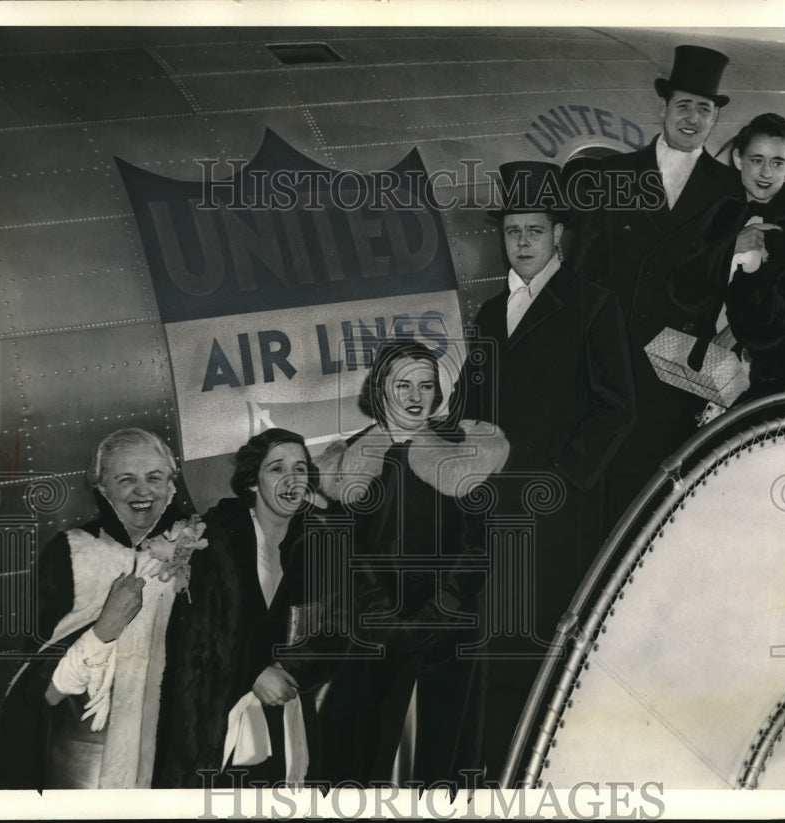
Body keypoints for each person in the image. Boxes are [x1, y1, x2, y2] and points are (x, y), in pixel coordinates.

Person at [449, 160, 635, 779]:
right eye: (512, 231)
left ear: (560, 234)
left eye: (534, 230)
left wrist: (559, 478)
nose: (522, 241)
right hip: (491, 517)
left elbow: (616, 408)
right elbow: (469, 407)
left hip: (557, 522)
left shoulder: (592, 306)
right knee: (493, 655)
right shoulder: (488, 314)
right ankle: (494, 781)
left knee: (543, 658)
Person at [315, 340, 510, 785]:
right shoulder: (355, 461)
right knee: (361, 759)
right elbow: (348, 549)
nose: (416, 395)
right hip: (374, 630)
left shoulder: (463, 454)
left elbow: (479, 549)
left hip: (447, 633)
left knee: (435, 761)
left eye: (426, 384)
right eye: (403, 384)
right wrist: (377, 609)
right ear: (381, 388)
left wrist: (434, 616)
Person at [565, 44, 743, 531]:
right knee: (603, 489)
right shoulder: (614, 174)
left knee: (663, 494)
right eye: (683, 105)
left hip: (675, 360)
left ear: (714, 120)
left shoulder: (728, 188)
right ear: (662, 108)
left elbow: (719, 284)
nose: (692, 117)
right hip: (612, 357)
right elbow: (583, 272)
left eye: (704, 109)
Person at [0, 428, 204, 789]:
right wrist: (103, 630)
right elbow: (41, 690)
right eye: (126, 479)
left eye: (154, 477)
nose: (143, 491)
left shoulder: (199, 552)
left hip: (175, 758)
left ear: (171, 485)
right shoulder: (71, 552)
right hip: (84, 757)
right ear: (103, 487)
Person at [152, 428, 335, 787]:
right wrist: (253, 673)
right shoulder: (217, 538)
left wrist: (290, 670)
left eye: (300, 469)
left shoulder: (321, 541)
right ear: (253, 482)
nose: (291, 479)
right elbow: (194, 637)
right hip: (217, 717)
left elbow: (338, 627)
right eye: (277, 469)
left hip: (288, 704)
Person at [669, 112, 785, 408]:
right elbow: (682, 283)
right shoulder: (718, 211)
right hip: (698, 360)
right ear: (738, 159)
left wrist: (738, 332)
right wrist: (731, 248)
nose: (766, 172)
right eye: (756, 160)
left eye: (777, 162)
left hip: (767, 371)